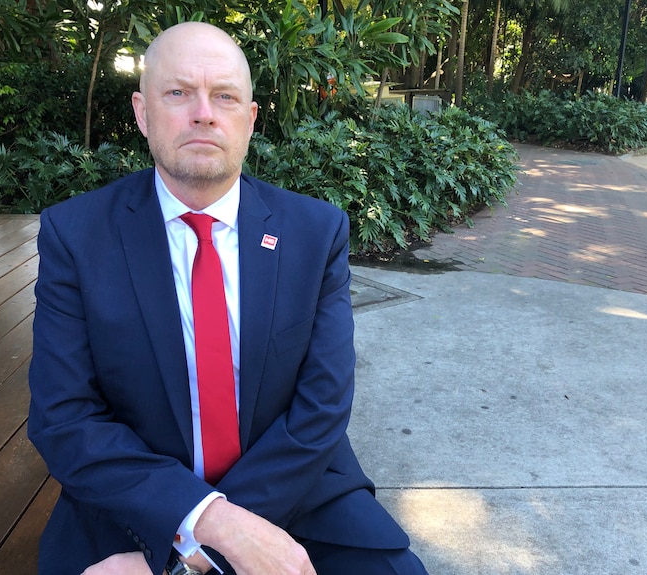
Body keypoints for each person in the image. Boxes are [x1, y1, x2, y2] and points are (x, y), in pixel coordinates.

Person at [27, 21, 429, 575]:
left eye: (224, 96)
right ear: (142, 114)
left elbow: (322, 408)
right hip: (135, 502)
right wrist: (206, 523)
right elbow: (63, 418)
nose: (203, 113)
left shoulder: (316, 232)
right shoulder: (77, 235)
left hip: (296, 490)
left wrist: (195, 553)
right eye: (178, 93)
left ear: (249, 119)